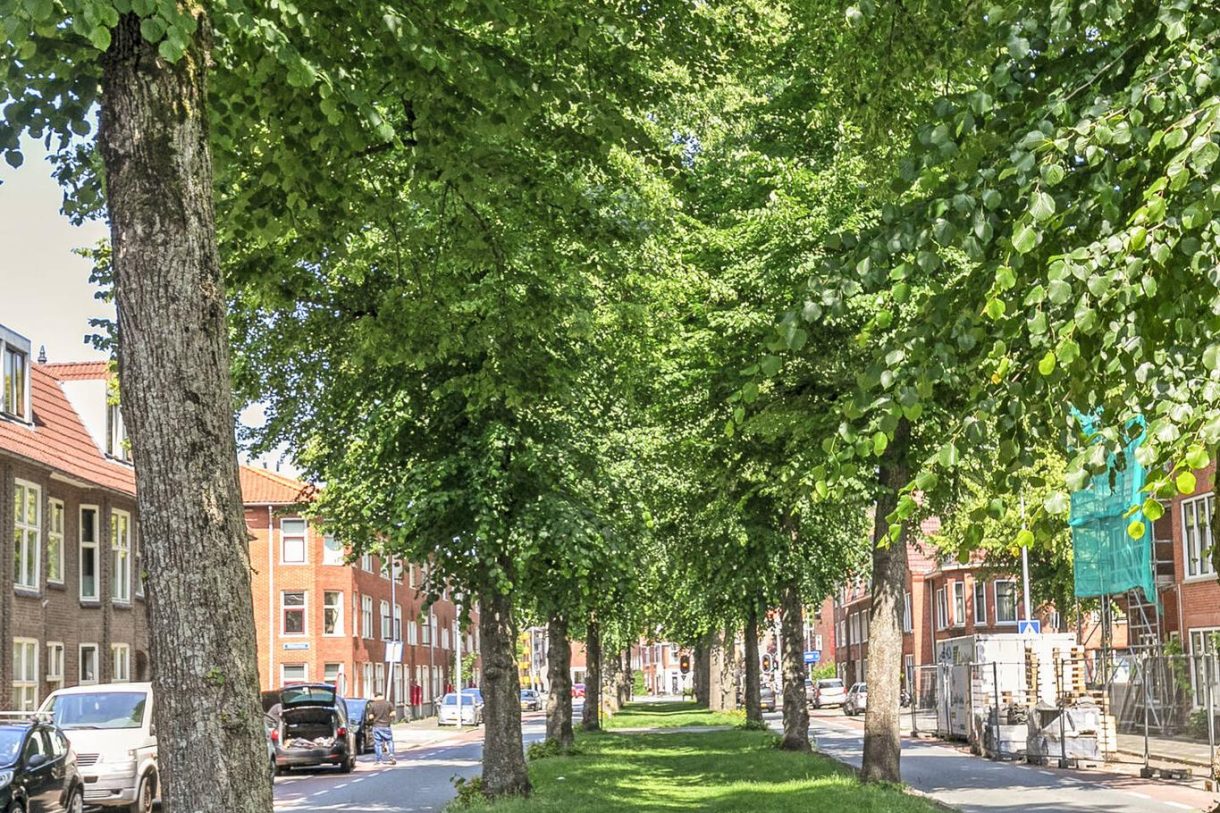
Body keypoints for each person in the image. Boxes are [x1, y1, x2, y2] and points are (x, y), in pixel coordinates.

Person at [367, 693, 396, 765]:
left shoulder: (372, 705)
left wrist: (373, 718)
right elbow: (393, 713)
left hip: (377, 726)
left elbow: (370, 717)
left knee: (378, 744)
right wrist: (388, 717)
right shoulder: (388, 703)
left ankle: (379, 760)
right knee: (389, 741)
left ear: (376, 697)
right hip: (386, 726)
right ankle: (391, 755)